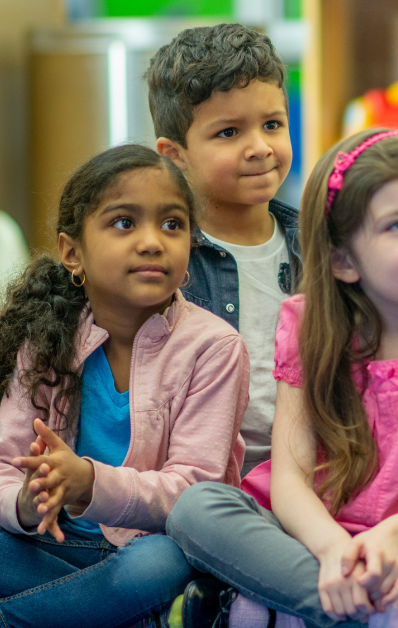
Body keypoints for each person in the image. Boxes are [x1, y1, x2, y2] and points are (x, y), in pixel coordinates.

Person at [164, 129, 398, 628]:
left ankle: (292, 613)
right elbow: (291, 479)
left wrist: (392, 536)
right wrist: (334, 550)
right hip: (318, 538)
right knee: (196, 509)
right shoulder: (308, 326)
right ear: (342, 261)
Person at [0, 145, 250, 628]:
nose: (153, 241)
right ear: (72, 252)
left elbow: (193, 492)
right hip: (56, 543)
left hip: (152, 547)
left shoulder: (215, 346)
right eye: (124, 223)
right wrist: (25, 503)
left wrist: (88, 482)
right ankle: (123, 613)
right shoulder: (47, 336)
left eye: (172, 224)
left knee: (160, 567)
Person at [148, 22, 301, 474]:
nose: (259, 147)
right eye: (229, 133)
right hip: (205, 479)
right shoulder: (160, 259)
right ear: (174, 155)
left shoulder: (319, 244)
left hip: (310, 472)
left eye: (272, 125)